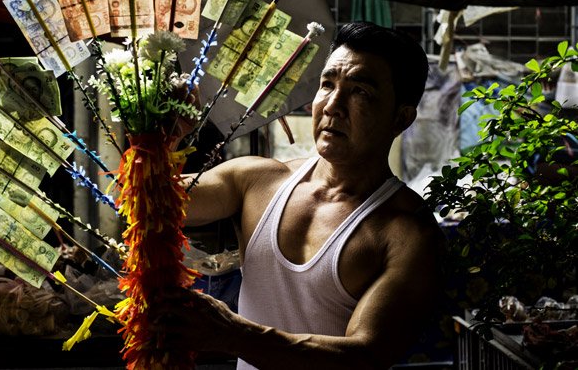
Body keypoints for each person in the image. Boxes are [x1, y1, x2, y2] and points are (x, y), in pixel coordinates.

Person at [157, 21, 447, 370]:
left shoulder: (407, 234)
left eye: (360, 92)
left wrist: (233, 334)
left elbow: (364, 356)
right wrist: (160, 139)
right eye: (328, 84)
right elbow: (151, 204)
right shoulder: (257, 180)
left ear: (401, 118)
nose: (333, 105)